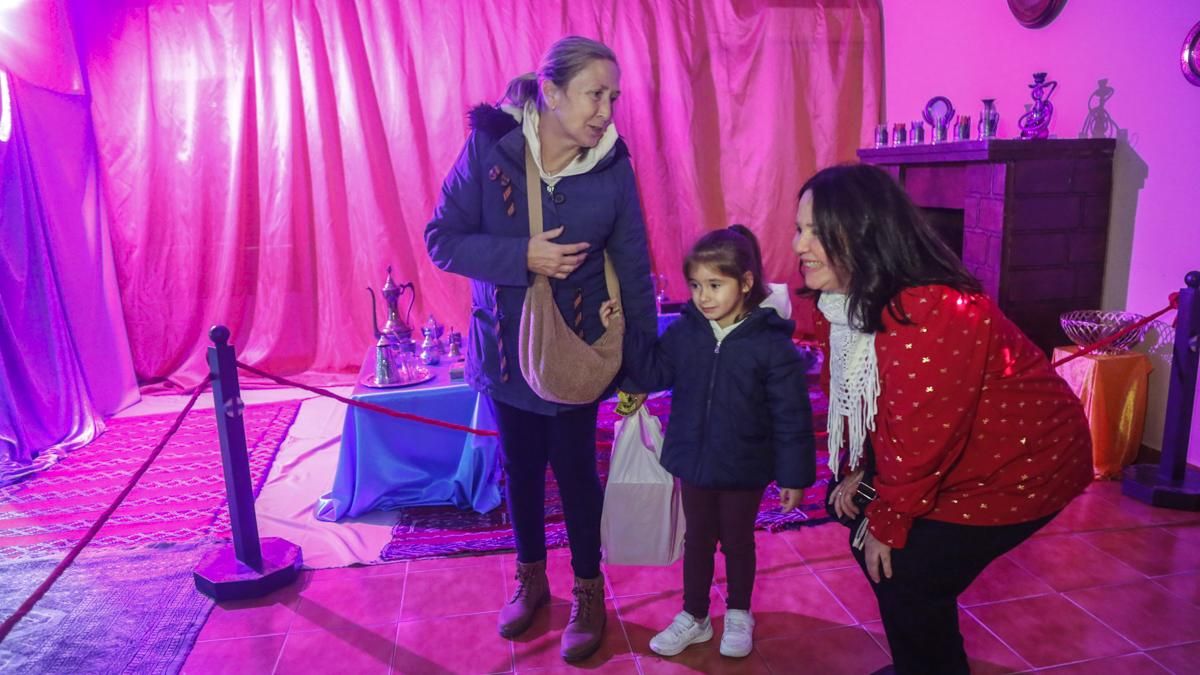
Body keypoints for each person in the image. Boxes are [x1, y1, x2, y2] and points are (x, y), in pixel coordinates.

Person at [793, 164, 1093, 675]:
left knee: (902, 568)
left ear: (866, 232)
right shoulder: (848, 303)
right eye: (799, 229)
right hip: (961, 450)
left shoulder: (929, 309)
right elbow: (884, 408)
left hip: (1022, 465)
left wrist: (890, 518)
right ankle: (923, 660)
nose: (800, 245)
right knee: (850, 511)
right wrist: (862, 473)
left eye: (817, 232)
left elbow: (924, 435)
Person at [424, 36, 656, 662]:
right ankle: (531, 580)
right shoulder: (490, 148)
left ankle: (587, 592)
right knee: (519, 471)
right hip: (504, 351)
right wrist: (521, 256)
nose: (606, 110)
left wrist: (641, 365)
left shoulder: (612, 164)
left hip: (576, 353)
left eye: (613, 96)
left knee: (578, 474)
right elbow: (441, 240)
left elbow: (635, 265)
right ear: (551, 94)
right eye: (594, 95)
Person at [601, 225, 816, 659]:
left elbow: (791, 416)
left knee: (738, 541)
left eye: (715, 285)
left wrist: (794, 475)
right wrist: (621, 334)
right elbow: (654, 372)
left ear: (747, 283)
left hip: (744, 465)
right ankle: (694, 616)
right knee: (697, 539)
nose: (703, 296)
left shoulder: (772, 345)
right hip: (694, 461)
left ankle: (739, 612)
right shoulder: (686, 333)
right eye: (697, 285)